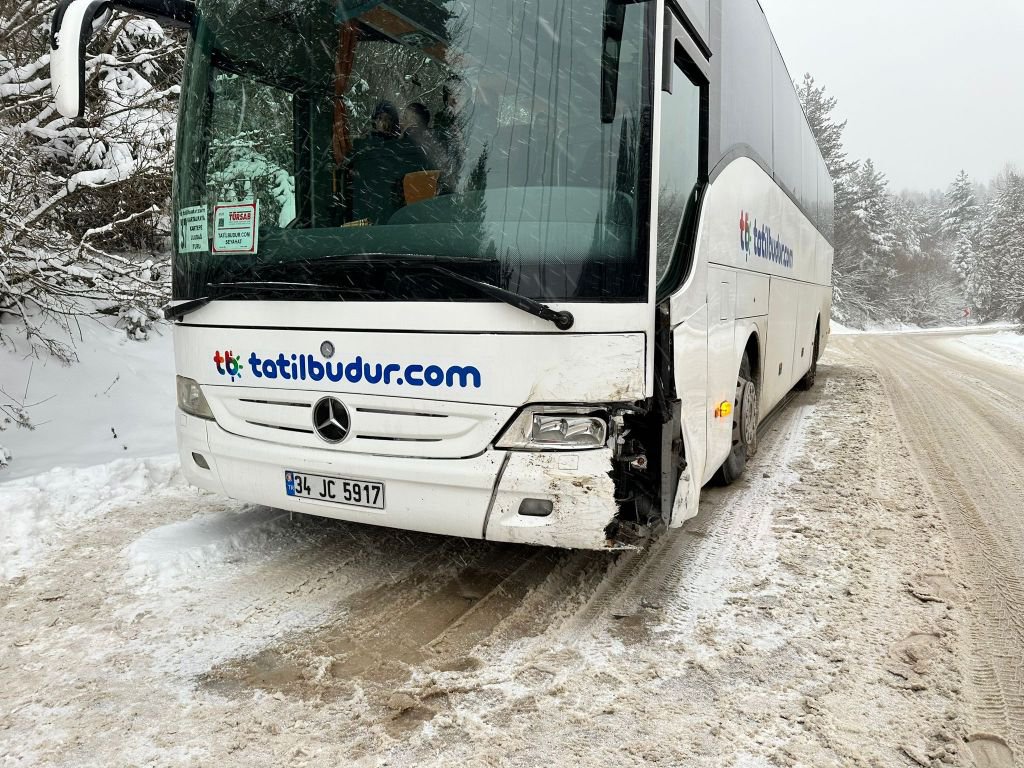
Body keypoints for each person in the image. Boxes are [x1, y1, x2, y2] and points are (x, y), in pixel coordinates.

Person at [348, 100, 431, 223]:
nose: (384, 123)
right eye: (380, 118)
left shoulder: (404, 147)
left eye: (388, 119)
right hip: (370, 211)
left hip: (396, 212)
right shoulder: (365, 146)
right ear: (374, 121)